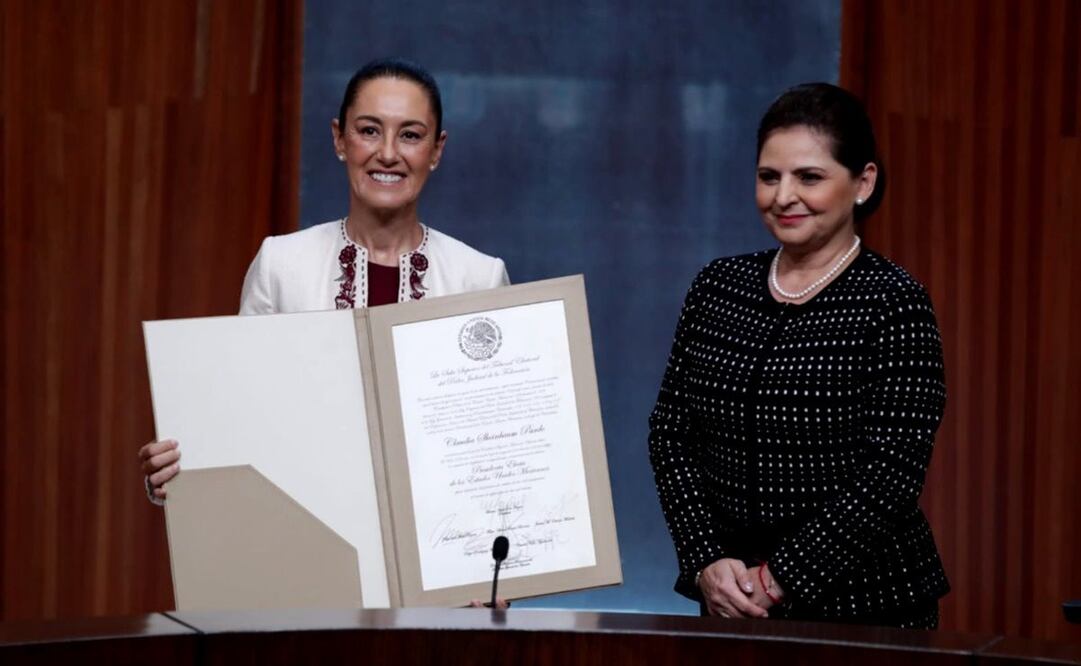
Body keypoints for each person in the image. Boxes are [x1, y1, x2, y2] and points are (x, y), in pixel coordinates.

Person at [648, 83, 949, 629]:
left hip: (867, 609)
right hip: (728, 604)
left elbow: (892, 472)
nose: (784, 195)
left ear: (863, 182)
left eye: (809, 177)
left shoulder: (895, 302)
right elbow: (670, 435)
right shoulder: (718, 288)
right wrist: (705, 561)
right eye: (769, 177)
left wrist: (778, 577)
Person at [139, 58, 509, 502]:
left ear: (436, 150)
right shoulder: (281, 264)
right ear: (339, 139)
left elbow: (499, 445)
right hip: (308, 534)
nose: (388, 152)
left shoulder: (480, 278)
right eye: (369, 130)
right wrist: (180, 473)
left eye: (410, 135)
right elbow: (239, 413)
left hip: (441, 539)